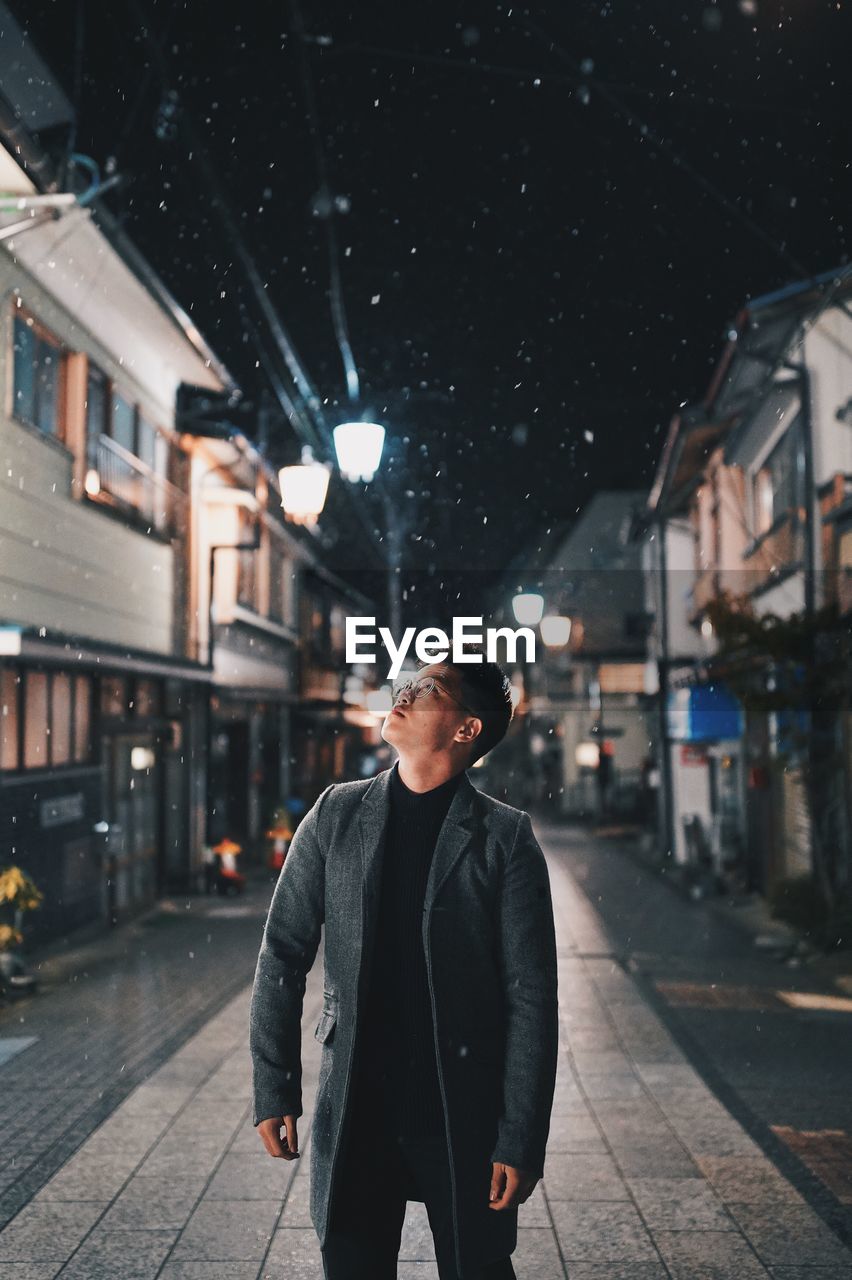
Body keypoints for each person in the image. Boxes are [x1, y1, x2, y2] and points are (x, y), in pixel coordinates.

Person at [250, 645, 559, 1279]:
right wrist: (273, 1084)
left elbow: (532, 998)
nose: (406, 692)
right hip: (358, 1107)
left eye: (430, 689)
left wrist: (521, 1138)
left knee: (479, 1267)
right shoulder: (337, 813)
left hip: (461, 1111)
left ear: (467, 729)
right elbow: (282, 950)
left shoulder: (504, 839)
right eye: (411, 681)